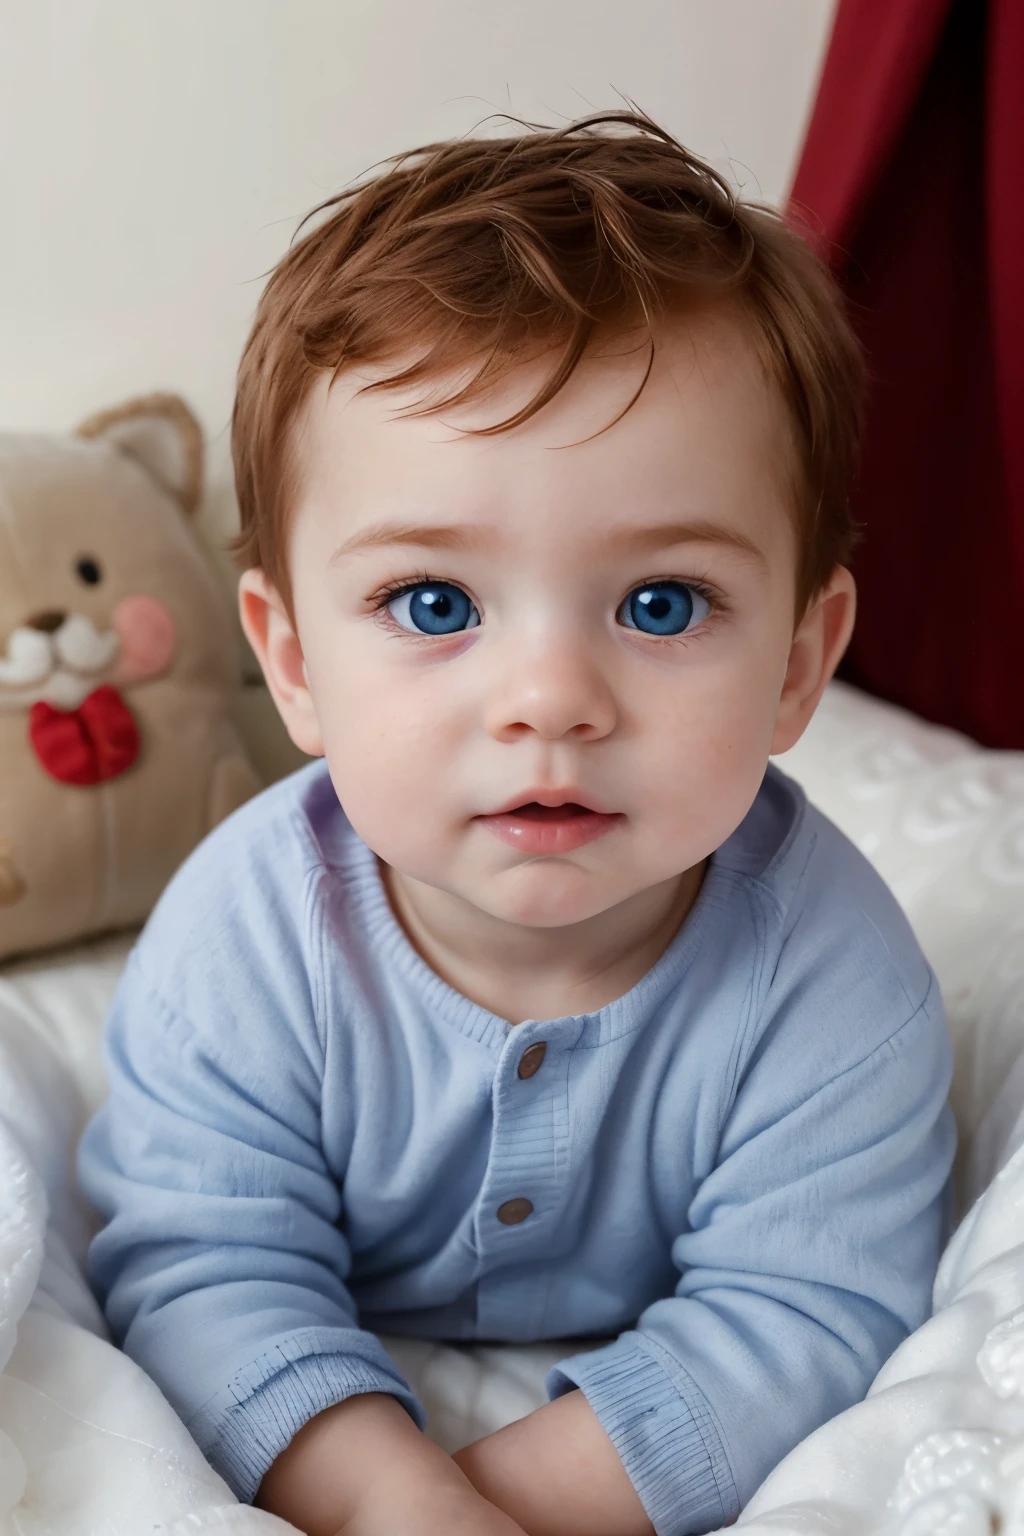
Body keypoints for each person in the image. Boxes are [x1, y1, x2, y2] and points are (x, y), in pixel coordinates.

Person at [77, 112, 956, 1536]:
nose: (551, 699)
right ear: (291, 661)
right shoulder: (242, 935)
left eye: (661, 603)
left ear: (800, 662)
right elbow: (202, 1269)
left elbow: (808, 1314)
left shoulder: (833, 975)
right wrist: (378, 1493)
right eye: (436, 604)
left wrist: (488, 1504)